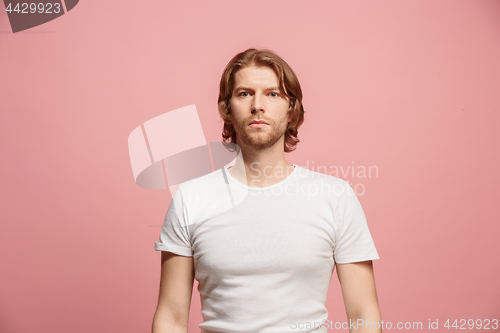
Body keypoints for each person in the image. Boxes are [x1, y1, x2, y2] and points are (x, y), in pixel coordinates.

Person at [152, 48, 382, 333]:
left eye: (272, 94)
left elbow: (363, 315)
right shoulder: (191, 198)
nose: (257, 105)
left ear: (291, 110)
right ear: (226, 108)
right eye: (244, 93)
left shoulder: (335, 197)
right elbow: (171, 317)